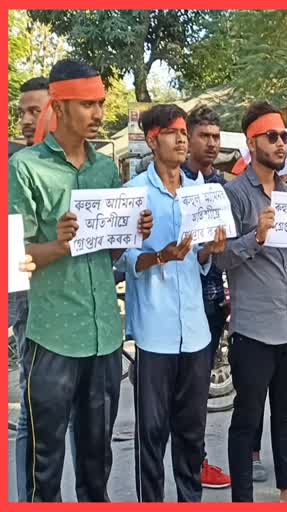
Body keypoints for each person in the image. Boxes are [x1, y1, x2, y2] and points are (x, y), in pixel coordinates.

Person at [9, 58, 152, 502]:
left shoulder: (106, 169)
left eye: (101, 104)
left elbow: (109, 250)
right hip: (52, 335)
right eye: (88, 104)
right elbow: (16, 258)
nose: (98, 114)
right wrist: (59, 244)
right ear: (60, 105)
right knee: (43, 463)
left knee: (97, 458)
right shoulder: (26, 168)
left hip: (105, 335)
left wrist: (132, 232)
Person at [214, 102, 287, 502]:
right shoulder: (233, 195)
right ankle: (243, 499)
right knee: (246, 420)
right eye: (272, 136)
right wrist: (256, 237)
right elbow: (220, 257)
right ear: (251, 142)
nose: (281, 144)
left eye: (285, 137)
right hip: (253, 328)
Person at [115, 104, 227, 502]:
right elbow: (128, 261)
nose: (182, 139)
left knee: (192, 433)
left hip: (195, 332)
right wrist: (161, 255)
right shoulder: (133, 195)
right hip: (155, 334)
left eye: (184, 132)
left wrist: (207, 251)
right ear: (152, 139)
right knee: (152, 436)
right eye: (172, 132)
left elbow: (201, 260)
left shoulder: (202, 193)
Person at [180, 104, 232, 489]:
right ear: (187, 137)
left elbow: (226, 247)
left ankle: (195, 461)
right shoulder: (173, 182)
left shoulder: (222, 187)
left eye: (216, 137)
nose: (212, 144)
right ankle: (183, 461)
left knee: (198, 390)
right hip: (175, 302)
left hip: (212, 300)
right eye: (205, 136)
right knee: (175, 391)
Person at [10, 75, 50, 503]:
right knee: (33, 407)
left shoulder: (86, 167)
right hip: (23, 299)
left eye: (35, 110)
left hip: (72, 310)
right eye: (22, 111)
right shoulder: (14, 167)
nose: (25, 120)